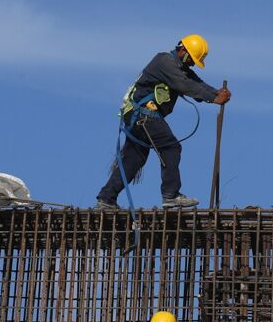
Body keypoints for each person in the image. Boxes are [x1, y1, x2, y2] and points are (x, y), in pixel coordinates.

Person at [96, 34, 231, 210]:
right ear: (183, 50)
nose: (191, 64)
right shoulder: (164, 62)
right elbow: (185, 85)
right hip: (144, 116)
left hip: (137, 118)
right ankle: (171, 195)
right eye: (191, 59)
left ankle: (106, 198)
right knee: (171, 147)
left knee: (133, 160)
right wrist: (213, 99)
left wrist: (216, 92)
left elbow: (195, 81)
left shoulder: (178, 66)